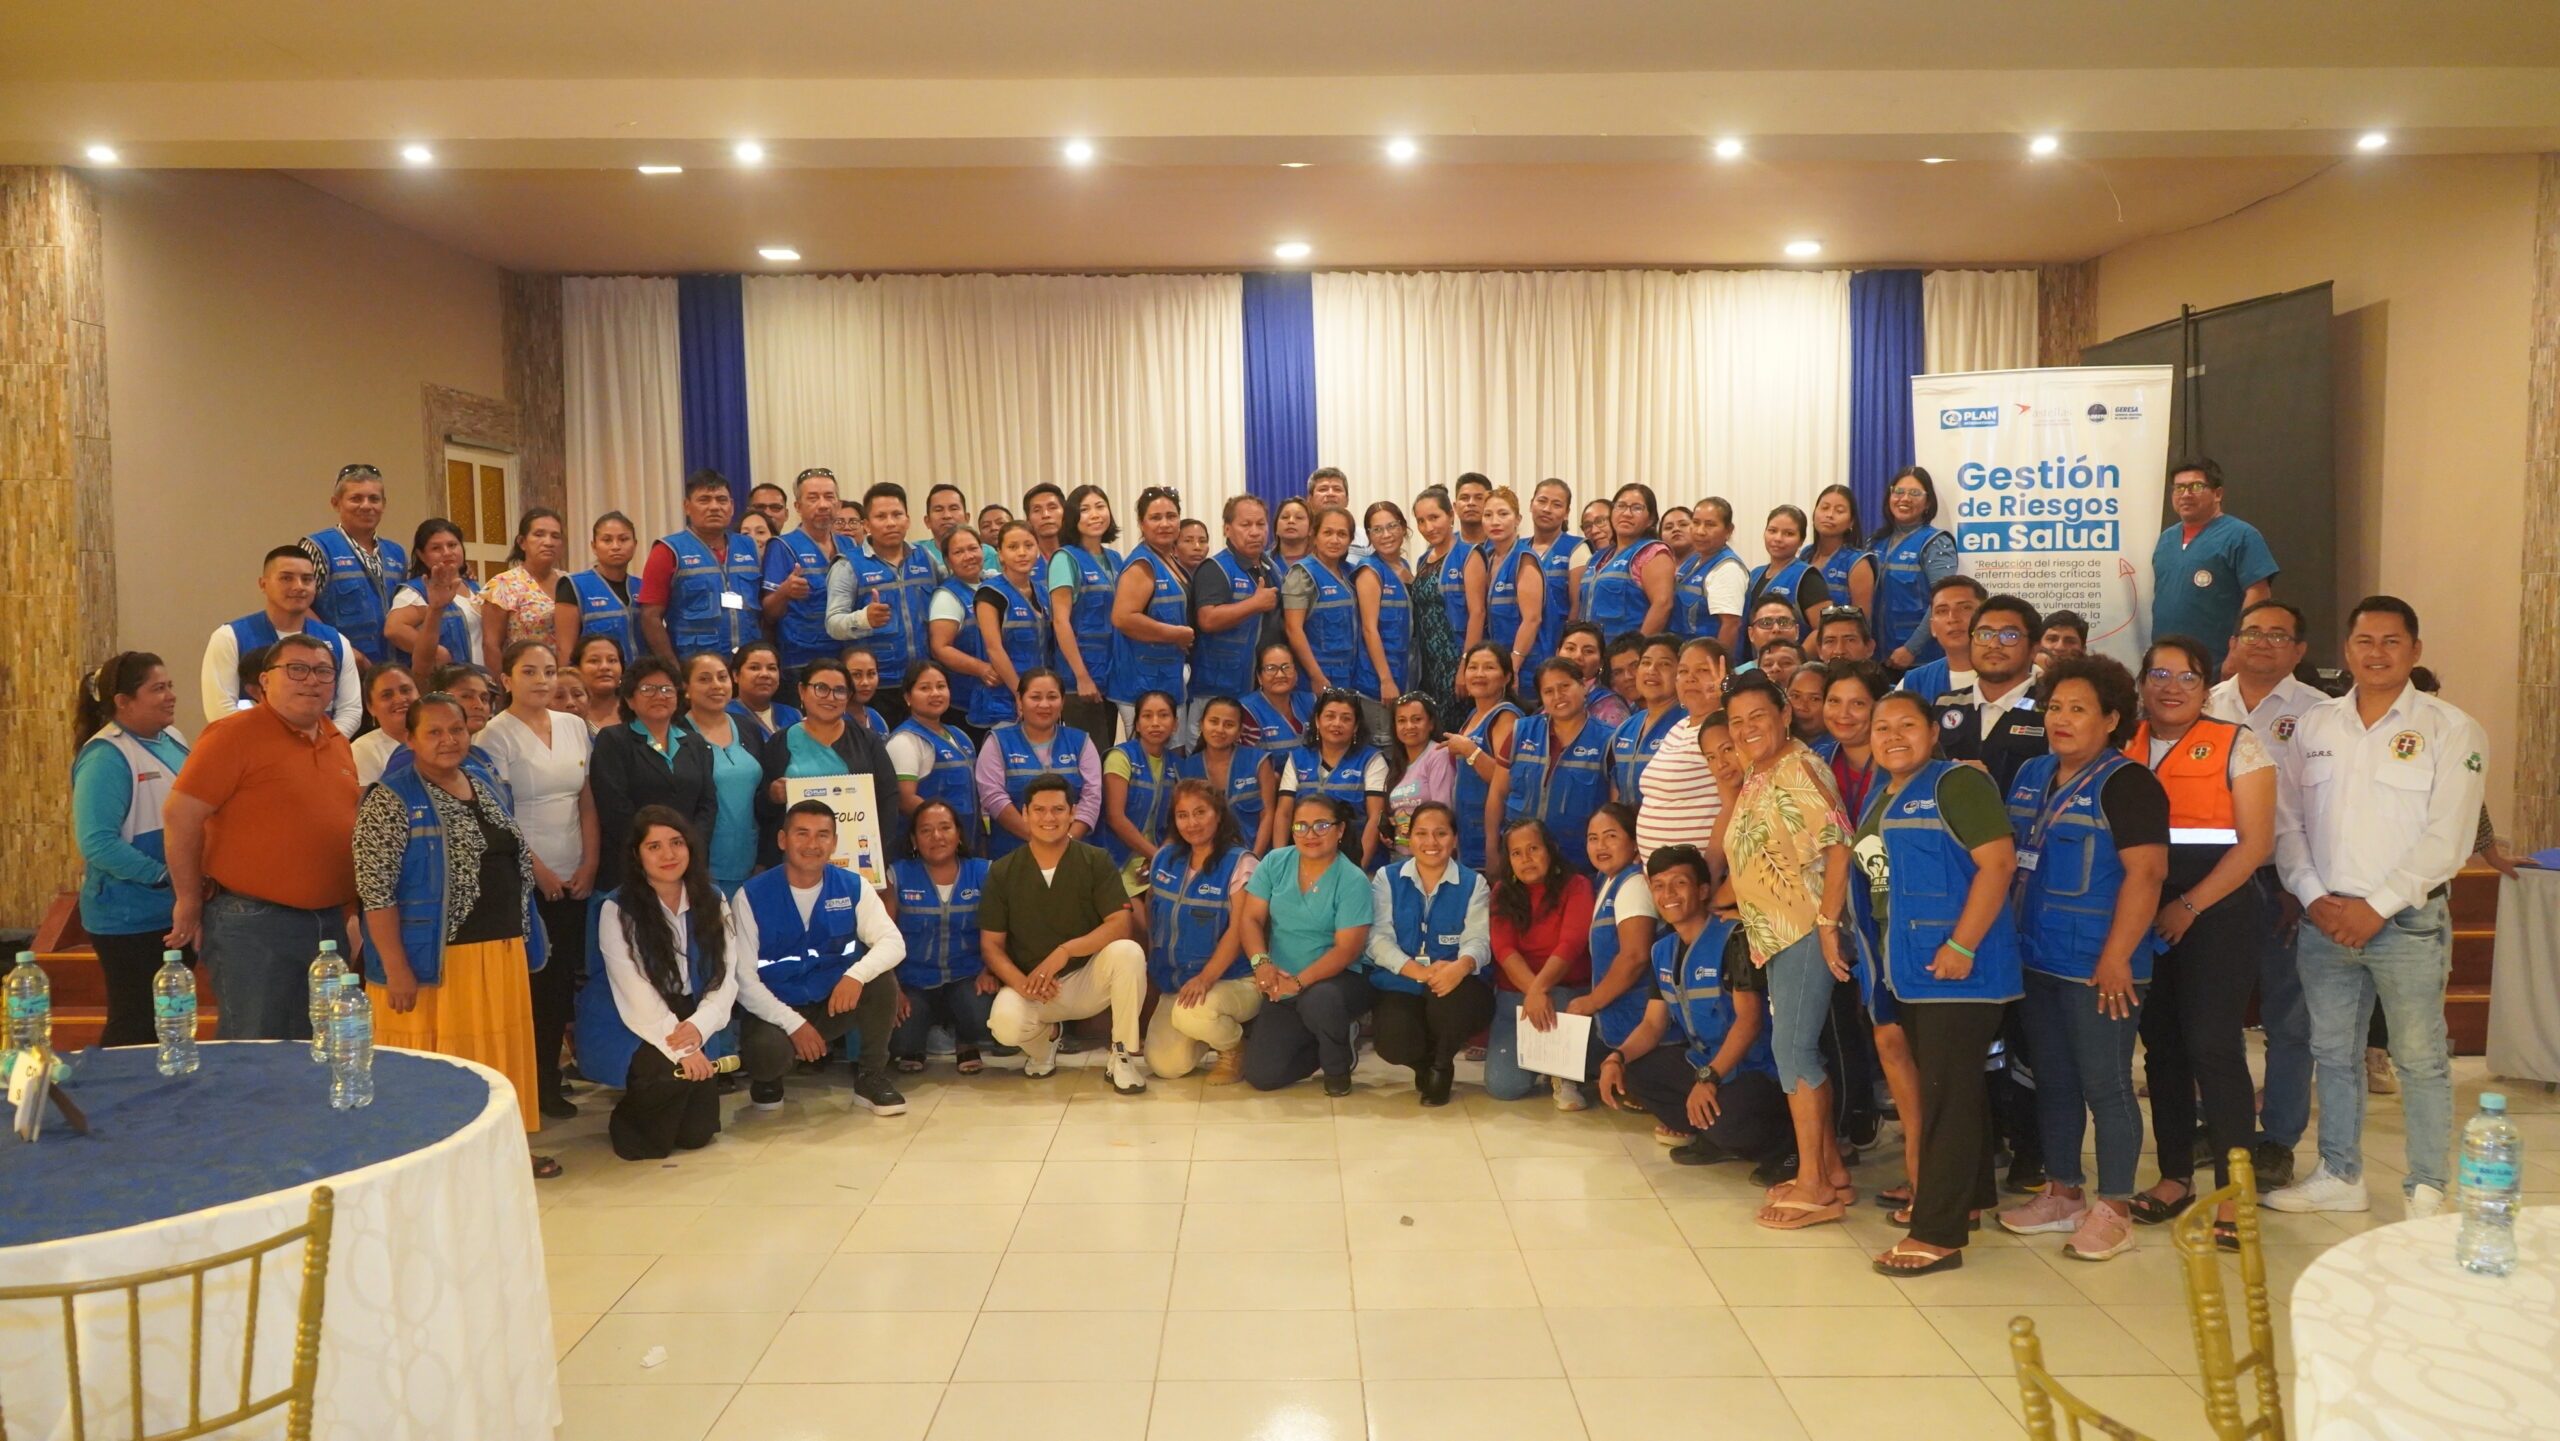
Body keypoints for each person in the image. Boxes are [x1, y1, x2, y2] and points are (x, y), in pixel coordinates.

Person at [2265, 597, 2486, 1219]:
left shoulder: (2452, 728)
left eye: (2392, 641)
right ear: (2347, 649)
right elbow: (2289, 825)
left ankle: (2426, 1185)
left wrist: (2378, 908)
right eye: (2365, 640)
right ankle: (2339, 1172)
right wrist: (2314, 897)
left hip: (2407, 922)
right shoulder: (2314, 726)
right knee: (2332, 1052)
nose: (2377, 653)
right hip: (2325, 918)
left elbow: (2449, 838)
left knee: (2420, 1057)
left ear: (2414, 652)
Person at [1996, 656, 2169, 1261]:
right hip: (2036, 958)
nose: (2061, 720)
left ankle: (2115, 1208)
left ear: (2112, 718)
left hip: (2102, 965)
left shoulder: (2129, 783)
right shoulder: (2031, 773)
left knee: (2107, 1084)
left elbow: (2147, 875)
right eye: (2054, 707)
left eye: (2078, 709)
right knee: (2055, 1081)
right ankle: (2063, 1192)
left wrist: (2120, 955)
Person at [1849, 689, 2023, 1274]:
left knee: (1945, 1100)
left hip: (1958, 971)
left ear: (1932, 731)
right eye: (1880, 727)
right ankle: (1969, 1199)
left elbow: (1997, 864)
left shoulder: (1957, 784)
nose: (1892, 735)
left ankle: (1937, 1233)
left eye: (1906, 724)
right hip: (1911, 971)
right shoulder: (1885, 794)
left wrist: (1962, 944)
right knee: (1956, 1090)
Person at [354, 691, 557, 1177]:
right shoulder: (389, 797)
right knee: (443, 1060)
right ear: (410, 739)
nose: (449, 740)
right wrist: (397, 967)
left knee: (499, 1051)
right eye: (435, 732)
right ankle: (439, 1160)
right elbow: (375, 891)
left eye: (457, 730)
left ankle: (504, 1150)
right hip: (434, 961)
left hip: (499, 950)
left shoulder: (483, 780)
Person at [2122, 637, 2278, 1241]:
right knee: (2161, 1048)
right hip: (2142, 912)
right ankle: (2175, 1176)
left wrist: (2189, 905)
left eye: (2185, 677)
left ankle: (2236, 1196)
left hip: (2216, 912)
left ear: (2205, 684)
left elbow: (2256, 844)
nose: (2169, 687)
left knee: (2212, 1045)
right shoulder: (2121, 742)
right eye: (2157, 674)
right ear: (2140, 683)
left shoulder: (2241, 743)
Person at [1710, 673, 1856, 1230]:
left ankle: (1817, 1185)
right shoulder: (1760, 771)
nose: (1748, 730)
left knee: (1795, 1054)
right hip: (1775, 933)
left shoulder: (1798, 768)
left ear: (1785, 716)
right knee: (1797, 1049)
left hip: (1802, 930)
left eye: (1758, 718)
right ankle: (1831, 1171)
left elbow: (1837, 845)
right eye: (1738, 722)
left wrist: (1825, 923)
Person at [164, 632, 360, 1040]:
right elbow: (180, 816)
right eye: (297, 669)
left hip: (327, 924)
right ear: (264, 681)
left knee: (322, 1047)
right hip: (252, 923)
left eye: (324, 672)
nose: (312, 680)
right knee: (254, 1047)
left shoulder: (337, 740)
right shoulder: (233, 733)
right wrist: (187, 899)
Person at [2205, 598, 2327, 1188]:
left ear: (2299, 650)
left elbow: (2325, 811)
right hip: (2212, 881)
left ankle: (2278, 1139)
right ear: (2234, 641)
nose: (2262, 642)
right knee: (2214, 1013)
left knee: (2288, 1019)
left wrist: (2301, 885)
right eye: (2251, 631)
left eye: (2278, 635)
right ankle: (2222, 1126)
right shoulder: (2205, 703)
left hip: (2285, 880)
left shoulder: (2322, 714)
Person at [1594, 845, 1788, 1167]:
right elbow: (1653, 1025)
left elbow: (1749, 1021)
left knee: (1730, 1120)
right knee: (1638, 1072)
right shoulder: (1662, 951)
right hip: (1705, 1062)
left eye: (1679, 883)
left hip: (1755, 1070)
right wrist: (1617, 1057)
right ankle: (1713, 1137)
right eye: (1658, 885)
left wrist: (1709, 1078)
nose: (1668, 893)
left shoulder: (1734, 937)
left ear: (1702, 890)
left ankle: (1785, 1149)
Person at [478, 640, 599, 1121]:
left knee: (563, 983)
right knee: (535, 986)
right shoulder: (495, 735)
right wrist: (539, 873)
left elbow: (586, 799)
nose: (542, 680)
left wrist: (588, 863)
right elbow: (500, 816)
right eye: (529, 672)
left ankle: (553, 1073)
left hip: (575, 873)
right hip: (526, 878)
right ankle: (532, 1082)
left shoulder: (573, 727)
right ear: (506, 680)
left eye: (549, 671)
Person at [730, 800, 908, 1114]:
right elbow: (744, 980)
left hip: (831, 1003)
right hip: (775, 1012)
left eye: (823, 835)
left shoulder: (853, 886)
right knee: (768, 1052)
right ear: (783, 840)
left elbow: (893, 942)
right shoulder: (751, 895)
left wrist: (855, 975)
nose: (813, 844)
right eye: (802, 834)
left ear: (835, 843)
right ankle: (768, 1078)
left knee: (880, 979)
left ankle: (871, 1077)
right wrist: (794, 1024)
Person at [980, 773, 1150, 1092]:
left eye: (1058, 810)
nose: (1049, 818)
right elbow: (991, 945)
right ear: (1025, 813)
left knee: (1128, 952)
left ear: (1072, 813)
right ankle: (1046, 1046)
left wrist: (1066, 951)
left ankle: (1122, 1054)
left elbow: (1120, 924)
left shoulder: (1095, 860)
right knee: (1004, 1024)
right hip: (1033, 984)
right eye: (1040, 810)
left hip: (1087, 978)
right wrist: (1022, 983)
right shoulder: (1003, 871)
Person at [585, 811, 737, 1159]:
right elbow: (633, 989)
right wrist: (685, 1049)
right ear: (637, 855)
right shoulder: (617, 907)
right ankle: (627, 1123)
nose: (668, 855)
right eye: (654, 846)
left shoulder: (713, 899)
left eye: (676, 843)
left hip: (693, 1012)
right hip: (632, 1014)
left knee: (697, 1135)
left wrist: (699, 1028)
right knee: (645, 1140)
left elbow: (726, 976)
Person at [72, 652, 193, 1048]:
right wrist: (163, 875)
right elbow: (97, 842)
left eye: (170, 685)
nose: (171, 695)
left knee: (171, 1024)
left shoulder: (173, 739)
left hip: (174, 911)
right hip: (131, 919)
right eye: (157, 689)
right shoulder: (106, 756)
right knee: (136, 1025)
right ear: (122, 702)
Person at [1237, 794, 1377, 1094]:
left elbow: (1347, 950)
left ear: (1340, 831)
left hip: (1339, 980)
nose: (1309, 835)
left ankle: (1338, 1066)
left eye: (1321, 826)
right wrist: (1262, 964)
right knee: (1262, 1076)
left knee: (1320, 1001)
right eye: (1300, 826)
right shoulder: (1275, 862)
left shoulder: (1352, 879)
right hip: (1282, 980)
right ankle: (1327, 1036)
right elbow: (1250, 920)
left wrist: (1299, 983)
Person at [1365, 801, 1494, 1105]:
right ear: (1409, 839)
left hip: (1453, 982)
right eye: (1421, 833)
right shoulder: (1386, 878)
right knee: (1393, 1042)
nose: (1431, 842)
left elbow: (1479, 940)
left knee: (1455, 1007)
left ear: (1455, 839)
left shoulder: (1474, 883)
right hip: (1402, 981)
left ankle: (1441, 1065)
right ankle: (1424, 1062)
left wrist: (1460, 967)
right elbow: (1377, 939)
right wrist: (1417, 971)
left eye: (1441, 833)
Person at [1142, 779, 1262, 1083]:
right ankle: (1207, 1030)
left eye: (1200, 813)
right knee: (1166, 1066)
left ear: (1218, 814)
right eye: (1183, 815)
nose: (1191, 823)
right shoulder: (1163, 859)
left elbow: (1239, 931)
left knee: (1191, 1015)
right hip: (1178, 983)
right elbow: (1153, 918)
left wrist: (1206, 978)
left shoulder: (1241, 863)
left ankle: (1234, 1046)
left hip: (1234, 978)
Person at [1485, 819, 1595, 1106]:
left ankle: (1563, 1073)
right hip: (1515, 998)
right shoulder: (1501, 892)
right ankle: (1545, 1061)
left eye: (1534, 848)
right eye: (1516, 853)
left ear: (1550, 849)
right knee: (1503, 1087)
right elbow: (1504, 949)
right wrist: (1533, 993)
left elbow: (1570, 945)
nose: (1526, 859)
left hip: (1565, 994)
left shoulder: (1577, 886)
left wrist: (1539, 990)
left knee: (1556, 998)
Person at [589, 657, 719, 899]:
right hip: (631, 868)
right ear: (629, 699)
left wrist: (685, 849)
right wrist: (655, 850)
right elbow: (614, 807)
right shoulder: (614, 741)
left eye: (667, 689)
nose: (659, 695)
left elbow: (707, 804)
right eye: (647, 689)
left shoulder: (695, 743)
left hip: (686, 867)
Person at [760, 656, 905, 870]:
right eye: (821, 688)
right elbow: (761, 807)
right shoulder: (780, 742)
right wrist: (773, 795)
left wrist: (879, 859)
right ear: (802, 691)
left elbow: (887, 799)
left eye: (840, 690)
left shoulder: (867, 741)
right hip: (794, 863)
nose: (831, 697)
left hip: (857, 862)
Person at [202, 546, 365, 735]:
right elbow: (219, 710)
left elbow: (351, 710)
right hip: (253, 753)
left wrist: (322, 746)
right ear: (263, 584)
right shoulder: (229, 637)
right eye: (286, 578)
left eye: (307, 579)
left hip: (320, 752)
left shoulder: (337, 641)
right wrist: (277, 748)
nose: (299, 586)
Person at [887, 799, 996, 1074]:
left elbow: (1001, 931)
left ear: (959, 834)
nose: (937, 836)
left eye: (945, 827)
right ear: (913, 839)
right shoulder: (896, 875)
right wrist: (893, 988)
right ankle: (918, 1041)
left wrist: (990, 971)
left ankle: (965, 1040)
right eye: (925, 830)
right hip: (913, 981)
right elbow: (882, 938)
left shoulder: (984, 872)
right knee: (901, 1039)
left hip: (968, 976)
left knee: (982, 1018)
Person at [2150, 457, 2278, 676]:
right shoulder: (2166, 539)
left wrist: (2239, 652)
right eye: (2179, 488)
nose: (2186, 494)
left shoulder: (2241, 535)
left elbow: (2259, 595)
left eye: (2196, 487)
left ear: (2218, 494)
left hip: (2216, 663)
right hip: (2167, 664)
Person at [831, 482, 941, 729]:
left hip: (922, 683)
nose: (891, 522)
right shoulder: (847, 565)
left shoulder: (924, 557)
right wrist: (863, 619)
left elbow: (951, 589)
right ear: (867, 525)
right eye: (881, 516)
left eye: (897, 515)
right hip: (876, 687)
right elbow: (833, 623)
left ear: (908, 519)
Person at [1569, 803, 1660, 1084]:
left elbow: (1635, 957)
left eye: (1611, 836)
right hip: (1614, 1017)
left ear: (1634, 843)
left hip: (1635, 1022)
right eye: (1593, 838)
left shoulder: (1633, 885)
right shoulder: (1606, 880)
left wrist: (1592, 1002)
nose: (1600, 846)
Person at [638, 470, 761, 665]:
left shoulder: (750, 547)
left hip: (747, 666)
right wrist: (673, 670)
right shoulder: (668, 550)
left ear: (732, 506)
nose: (714, 507)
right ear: (687, 507)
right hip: (694, 668)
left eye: (721, 500)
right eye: (704, 500)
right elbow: (650, 617)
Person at [976, 669, 1102, 859]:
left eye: (1052, 697)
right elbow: (993, 797)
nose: (1044, 704)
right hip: (1013, 854)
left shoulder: (1082, 742)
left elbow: (1092, 796)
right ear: (1019, 701)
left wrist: (1067, 840)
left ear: (1062, 702)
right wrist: (1039, 840)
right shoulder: (997, 742)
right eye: (1035, 697)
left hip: (1072, 853)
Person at [1933, 594, 2049, 794]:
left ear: (2034, 649)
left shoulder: (2051, 708)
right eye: (1984, 634)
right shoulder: (1946, 704)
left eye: (2010, 636)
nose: (1994, 644)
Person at [673, 653, 767, 893]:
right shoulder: (675, 734)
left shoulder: (747, 727)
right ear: (686, 688)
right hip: (697, 865)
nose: (716, 685)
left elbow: (760, 797)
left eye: (722, 677)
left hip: (750, 861)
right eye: (704, 679)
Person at [1632, 641, 1732, 864]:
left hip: (1701, 875)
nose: (1691, 678)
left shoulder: (1724, 729)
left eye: (1703, 670)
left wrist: (1712, 873)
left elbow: (1732, 805)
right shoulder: (1679, 727)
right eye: (1683, 671)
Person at [1507, 660, 1609, 873]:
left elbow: (1615, 805)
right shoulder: (1521, 731)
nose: (1558, 696)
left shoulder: (1608, 739)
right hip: (1522, 862)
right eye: (1549, 691)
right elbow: (1497, 794)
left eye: (1565, 686)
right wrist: (1493, 851)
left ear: (1582, 685)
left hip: (1578, 863)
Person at [1194, 496, 1284, 735]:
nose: (1255, 532)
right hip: (1217, 689)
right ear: (1227, 528)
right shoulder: (1215, 568)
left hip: (1258, 688)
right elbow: (1207, 619)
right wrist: (1253, 604)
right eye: (1246, 525)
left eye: (1261, 524)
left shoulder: (1271, 567)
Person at [1108, 488, 1194, 735]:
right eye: (1155, 518)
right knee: (1146, 758)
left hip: (1166, 675)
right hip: (1140, 679)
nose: (1165, 524)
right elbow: (1123, 618)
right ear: (1141, 523)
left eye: (1171, 516)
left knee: (1171, 757)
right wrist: (1175, 634)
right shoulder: (1142, 563)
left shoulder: (1169, 559)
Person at [303, 464, 407, 667]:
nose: (366, 506)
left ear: (384, 504)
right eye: (356, 498)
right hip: (340, 668)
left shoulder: (398, 553)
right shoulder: (317, 547)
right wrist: (345, 652)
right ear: (336, 503)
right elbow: (300, 608)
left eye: (374, 499)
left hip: (392, 671)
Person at [1272, 688, 1388, 869]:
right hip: (1304, 859)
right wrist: (1278, 864)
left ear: (1356, 726)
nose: (1337, 723)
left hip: (1357, 860)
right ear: (1317, 721)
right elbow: (1284, 813)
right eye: (1330, 716)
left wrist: (1356, 872)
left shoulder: (1372, 760)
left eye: (1346, 718)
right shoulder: (1297, 758)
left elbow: (1376, 818)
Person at [1047, 484, 1125, 743]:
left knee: (1108, 751)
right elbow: (1060, 621)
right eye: (1085, 509)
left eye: (1100, 507)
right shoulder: (1065, 558)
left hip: (1111, 674)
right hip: (1079, 678)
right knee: (1090, 757)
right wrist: (1081, 676)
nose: (1095, 514)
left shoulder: (1115, 559)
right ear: (1072, 517)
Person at [1442, 644, 1521, 873]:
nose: (1479, 674)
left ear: (1506, 677)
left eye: (1489, 667)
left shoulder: (1505, 716)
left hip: (1491, 835)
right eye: (1473, 667)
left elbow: (1505, 780)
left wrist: (1470, 750)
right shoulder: (1473, 715)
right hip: (1467, 833)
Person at [1871, 467, 1960, 672]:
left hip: (1919, 659)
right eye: (1899, 492)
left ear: (1928, 502)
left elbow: (1942, 604)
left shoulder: (1936, 543)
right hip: (1878, 658)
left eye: (1915, 493)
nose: (1905, 499)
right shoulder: (1875, 542)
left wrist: (1911, 649)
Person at [763, 467, 846, 672]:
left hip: (845, 657)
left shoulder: (851, 546)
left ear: (839, 504)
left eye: (829, 497)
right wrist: (785, 592)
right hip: (801, 662)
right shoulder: (782, 546)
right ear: (798, 506)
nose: (823, 505)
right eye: (813, 498)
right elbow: (768, 613)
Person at [970, 522, 1052, 729]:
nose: (1022, 553)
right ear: (1000, 554)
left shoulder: (1043, 592)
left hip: (1040, 696)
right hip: (1004, 698)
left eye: (1028, 545)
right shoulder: (990, 593)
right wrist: (1020, 693)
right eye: (1013, 547)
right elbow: (994, 649)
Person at [1570, 483, 1677, 640]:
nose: (1627, 513)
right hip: (1593, 653)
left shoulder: (1653, 553)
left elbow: (1663, 604)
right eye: (1621, 506)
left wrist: (1638, 650)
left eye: (1637, 508)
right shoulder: (1598, 557)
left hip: (1627, 655)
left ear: (1651, 519)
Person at [479, 508, 579, 672]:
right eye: (539, 534)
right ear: (522, 542)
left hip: (566, 678)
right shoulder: (503, 584)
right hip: (523, 676)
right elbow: (491, 645)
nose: (548, 542)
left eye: (555, 536)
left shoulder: (571, 582)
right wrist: (501, 691)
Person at [887, 663, 980, 839]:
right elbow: (905, 800)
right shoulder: (904, 740)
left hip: (966, 842)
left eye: (941, 686)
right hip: (931, 845)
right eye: (924, 688)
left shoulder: (961, 736)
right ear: (908, 697)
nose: (935, 693)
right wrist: (946, 831)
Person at [1102, 691, 1180, 890]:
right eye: (1147, 716)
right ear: (1136, 724)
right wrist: (1155, 857)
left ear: (1175, 724)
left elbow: (1177, 820)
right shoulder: (1120, 757)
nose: (1155, 722)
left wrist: (1161, 855)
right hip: (1118, 858)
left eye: (1163, 715)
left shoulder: (1179, 765)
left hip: (1159, 858)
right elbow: (1115, 817)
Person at [1283, 506, 1363, 697]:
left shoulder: (1351, 573)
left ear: (1351, 540)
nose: (1335, 540)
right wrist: (1316, 676)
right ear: (1314, 535)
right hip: (1317, 676)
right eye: (1327, 532)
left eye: (1342, 534)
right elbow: (1293, 629)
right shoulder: (1302, 573)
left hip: (1350, 673)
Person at [386, 519, 483, 676]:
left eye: (452, 545)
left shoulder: (474, 587)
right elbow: (393, 629)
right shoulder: (417, 591)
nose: (447, 552)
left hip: (479, 681)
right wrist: (436, 652)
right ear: (422, 555)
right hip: (445, 682)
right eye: (436, 548)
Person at [1351, 500, 1415, 736]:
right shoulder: (1369, 571)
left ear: (1403, 528)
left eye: (1392, 526)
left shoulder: (1405, 566)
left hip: (1405, 672)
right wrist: (1385, 679)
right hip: (1377, 681)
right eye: (1377, 530)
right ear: (1368, 535)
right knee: (1384, 747)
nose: (1386, 535)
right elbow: (1369, 629)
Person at [1407, 488, 1471, 718]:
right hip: (1428, 664)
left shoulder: (1469, 555)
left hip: (1456, 659)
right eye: (1421, 521)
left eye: (1434, 518)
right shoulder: (1423, 560)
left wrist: (1466, 665)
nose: (1428, 527)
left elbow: (1478, 614)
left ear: (1451, 514)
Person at [925, 535, 998, 732]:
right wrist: (982, 669)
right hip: (966, 702)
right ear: (948, 561)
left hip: (1001, 697)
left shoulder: (995, 583)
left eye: (973, 548)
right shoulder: (947, 596)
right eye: (958, 552)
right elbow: (940, 648)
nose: (968, 556)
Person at [1178, 695, 1268, 854]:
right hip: (1204, 860)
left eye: (1229, 724)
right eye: (1213, 721)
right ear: (1201, 724)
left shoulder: (1259, 761)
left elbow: (1268, 815)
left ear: (1240, 731)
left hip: (1253, 856)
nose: (1219, 729)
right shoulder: (1185, 769)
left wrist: (1255, 860)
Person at [1742, 505, 1831, 662]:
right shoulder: (1755, 574)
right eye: (1772, 531)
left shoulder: (1807, 577)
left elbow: (1824, 629)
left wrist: (1794, 661)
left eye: (1788, 534)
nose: (1778, 538)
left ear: (1801, 540)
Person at [1478, 487, 1549, 682]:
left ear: (1517, 519)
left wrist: (1514, 666)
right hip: (1497, 663)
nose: (1495, 521)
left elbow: (1532, 619)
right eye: (1488, 515)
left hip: (1525, 666)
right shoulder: (1489, 558)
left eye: (1503, 514)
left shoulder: (1524, 559)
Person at [1606, 634, 1683, 806]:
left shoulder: (1691, 724)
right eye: (1646, 663)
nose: (1651, 670)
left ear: (1681, 672)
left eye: (1664, 664)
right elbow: (1616, 796)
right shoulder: (1624, 729)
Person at [1380, 693, 1456, 865]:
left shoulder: (1438, 755)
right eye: (1401, 720)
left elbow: (1443, 810)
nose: (1409, 726)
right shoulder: (1398, 762)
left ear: (1430, 724)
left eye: (1416, 719)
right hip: (1400, 855)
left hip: (1430, 854)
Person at [1895, 575, 1987, 701]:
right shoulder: (1913, 684)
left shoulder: (2014, 675)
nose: (1953, 618)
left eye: (1965, 608)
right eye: (1942, 611)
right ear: (1932, 627)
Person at [1676, 498, 1749, 652]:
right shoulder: (1693, 560)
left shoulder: (1728, 568)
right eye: (1696, 522)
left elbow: (1731, 624)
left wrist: (1719, 667)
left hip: (1707, 662)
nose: (1700, 531)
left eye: (1710, 525)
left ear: (1728, 530)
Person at [1526, 478, 1582, 672]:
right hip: (1520, 647)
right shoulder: (1516, 549)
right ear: (1531, 504)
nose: (1547, 509)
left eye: (1556, 505)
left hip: (1555, 647)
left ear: (1566, 513)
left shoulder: (1577, 548)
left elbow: (1577, 606)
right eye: (1542, 501)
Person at [570, 512, 643, 663]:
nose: (616, 546)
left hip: (639, 679)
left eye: (623, 539)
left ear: (635, 544)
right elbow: (566, 649)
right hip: (596, 679)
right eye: (607, 540)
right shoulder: (574, 585)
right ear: (594, 546)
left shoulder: (642, 587)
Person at [1821, 662, 1887, 825]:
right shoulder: (1816, 760)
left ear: (1880, 707)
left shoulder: (1902, 765)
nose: (1843, 714)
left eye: (1858, 703)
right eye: (1834, 701)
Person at [1805, 485, 1879, 621]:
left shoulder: (1858, 563)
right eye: (1824, 508)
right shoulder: (1805, 555)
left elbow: (1862, 622)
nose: (1829, 515)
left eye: (1839, 511)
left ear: (1851, 521)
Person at [1241, 640, 1310, 766]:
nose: (1279, 675)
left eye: (1286, 667)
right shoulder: (1247, 710)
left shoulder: (1310, 702)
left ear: (1296, 673)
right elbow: (1245, 764)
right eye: (1271, 668)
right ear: (1259, 677)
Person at [351, 662, 420, 784]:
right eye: (387, 695)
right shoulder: (362, 750)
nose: (400, 699)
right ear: (370, 707)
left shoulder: (439, 736)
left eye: (405, 690)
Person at [1557, 622, 1630, 730]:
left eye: (1588, 651)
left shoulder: (1612, 708)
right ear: (1557, 653)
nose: (1578, 656)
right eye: (1570, 649)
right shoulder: (1548, 696)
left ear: (1601, 662)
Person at [726, 641, 801, 743]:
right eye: (754, 668)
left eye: (771, 668)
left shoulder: (793, 715)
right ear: (735, 675)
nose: (765, 674)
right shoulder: (723, 715)